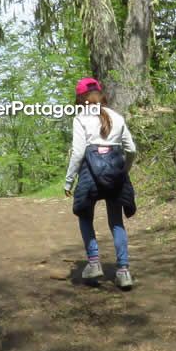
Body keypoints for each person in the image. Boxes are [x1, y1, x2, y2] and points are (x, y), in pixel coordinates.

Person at [63, 77, 137, 289]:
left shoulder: (80, 119)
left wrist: (69, 181)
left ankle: (94, 263)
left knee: (85, 216)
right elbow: (131, 149)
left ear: (80, 98)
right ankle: (123, 272)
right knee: (116, 222)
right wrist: (124, 171)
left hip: (90, 176)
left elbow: (78, 153)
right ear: (100, 94)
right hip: (115, 174)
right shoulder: (117, 117)